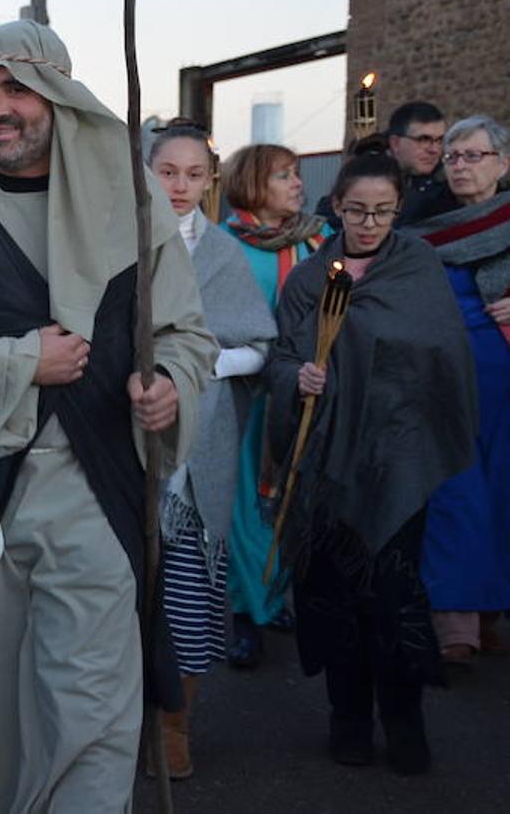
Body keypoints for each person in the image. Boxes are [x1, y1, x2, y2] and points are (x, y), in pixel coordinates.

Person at [0, 20, 216, 813]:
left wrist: (167, 384)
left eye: (15, 89)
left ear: (58, 99)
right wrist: (21, 361)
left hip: (94, 496)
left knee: (87, 712)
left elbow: (184, 335)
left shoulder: (133, 208)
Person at [264, 152, 476, 774]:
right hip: (327, 463)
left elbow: (439, 355)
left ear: (399, 208)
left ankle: (405, 721)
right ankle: (348, 718)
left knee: (392, 595)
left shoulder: (417, 267)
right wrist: (295, 377)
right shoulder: (308, 279)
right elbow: (280, 358)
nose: (369, 222)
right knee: (334, 595)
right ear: (336, 207)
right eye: (357, 210)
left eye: (383, 211)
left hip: (397, 455)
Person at [148, 123, 277, 778]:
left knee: (189, 596)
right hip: (127, 440)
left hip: (201, 446)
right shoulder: (118, 246)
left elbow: (258, 343)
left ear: (210, 180)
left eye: (192, 174)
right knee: (119, 598)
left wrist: (197, 364)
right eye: (166, 171)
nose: (178, 186)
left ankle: (175, 727)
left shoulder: (221, 255)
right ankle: (122, 726)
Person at [404, 114, 510, 665]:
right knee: (455, 491)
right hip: (442, 378)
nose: (462, 166)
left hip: (505, 380)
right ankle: (456, 624)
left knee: (501, 494)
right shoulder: (422, 226)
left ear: (504, 163)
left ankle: (492, 613)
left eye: (474, 156)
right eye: (454, 157)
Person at [220, 142, 330, 668]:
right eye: (283, 175)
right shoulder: (224, 246)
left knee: (289, 496)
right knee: (248, 503)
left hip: (303, 391)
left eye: (296, 174)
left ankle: (274, 594)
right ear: (252, 184)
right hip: (245, 397)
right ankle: (246, 611)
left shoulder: (320, 241)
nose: (297, 184)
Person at [386, 101, 459, 226]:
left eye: (440, 140)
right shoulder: (366, 183)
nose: (434, 150)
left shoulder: (450, 189)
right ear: (395, 143)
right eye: (424, 140)